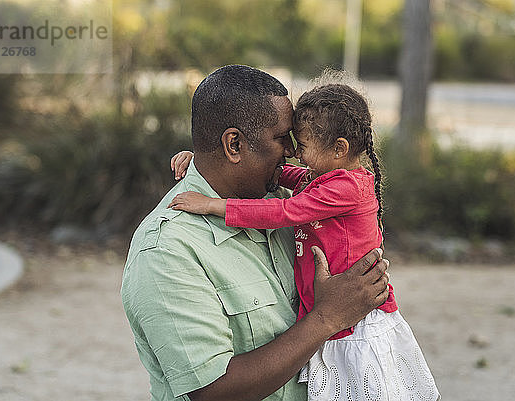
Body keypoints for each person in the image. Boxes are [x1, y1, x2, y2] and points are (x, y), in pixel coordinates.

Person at [121, 65, 390, 401]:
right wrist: (327, 318)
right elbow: (213, 392)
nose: (292, 151)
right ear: (234, 145)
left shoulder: (279, 201)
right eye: (282, 138)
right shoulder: (167, 249)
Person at [168, 83, 440, 400]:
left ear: (338, 149)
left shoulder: (346, 188)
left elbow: (287, 210)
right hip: (336, 318)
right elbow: (282, 173)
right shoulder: (320, 179)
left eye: (304, 145)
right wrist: (204, 160)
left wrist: (212, 204)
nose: (296, 153)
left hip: (355, 326)